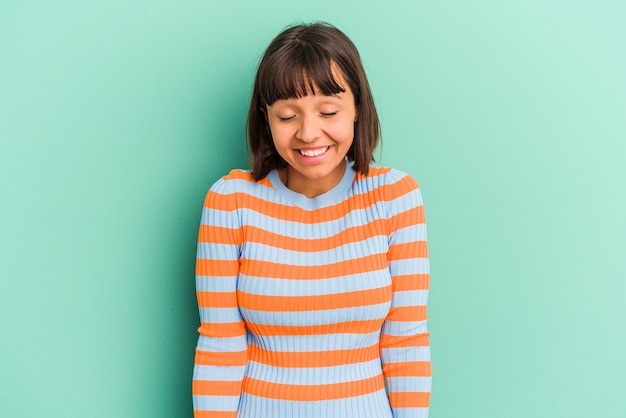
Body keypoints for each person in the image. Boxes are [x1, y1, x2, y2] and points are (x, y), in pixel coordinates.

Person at [192, 22, 431, 418]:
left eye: (328, 111)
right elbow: (220, 347)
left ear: (357, 109)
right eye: (287, 116)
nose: (308, 133)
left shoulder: (395, 197)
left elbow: (405, 342)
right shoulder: (230, 202)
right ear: (265, 118)